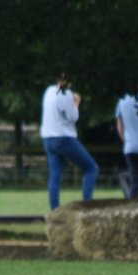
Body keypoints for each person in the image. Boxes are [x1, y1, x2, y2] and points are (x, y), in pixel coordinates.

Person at [40, 73, 97, 211]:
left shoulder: (49, 91)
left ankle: (55, 211)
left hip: (48, 138)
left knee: (55, 176)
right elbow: (73, 117)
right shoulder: (65, 94)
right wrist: (76, 103)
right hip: (63, 138)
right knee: (91, 168)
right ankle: (87, 207)